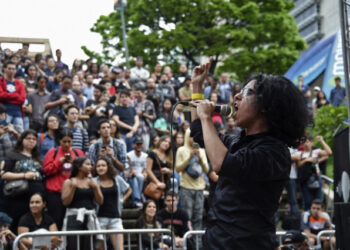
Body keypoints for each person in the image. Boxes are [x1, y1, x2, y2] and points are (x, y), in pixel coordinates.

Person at [189, 58, 308, 249]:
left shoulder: (274, 152)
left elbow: (222, 163)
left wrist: (206, 117)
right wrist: (196, 86)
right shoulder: (238, 142)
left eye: (247, 92)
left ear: (266, 107)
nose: (237, 96)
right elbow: (198, 132)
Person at [2, 130, 45, 233]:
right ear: (22, 140)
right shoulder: (12, 154)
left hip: (36, 197)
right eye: (28, 138)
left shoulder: (37, 157)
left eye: (34, 139)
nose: (31, 141)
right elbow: (4, 174)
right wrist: (24, 175)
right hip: (18, 197)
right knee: (17, 224)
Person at [43, 128, 84, 229]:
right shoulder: (53, 152)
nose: (66, 144)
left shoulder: (78, 153)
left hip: (74, 192)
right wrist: (58, 162)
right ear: (59, 141)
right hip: (55, 193)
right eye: (64, 141)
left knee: (73, 221)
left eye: (69, 141)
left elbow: (85, 171)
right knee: (56, 220)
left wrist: (75, 163)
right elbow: (45, 171)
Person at [61, 157, 104, 250]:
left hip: (89, 217)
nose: (90, 167)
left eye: (90, 164)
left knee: (89, 246)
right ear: (79, 167)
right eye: (87, 164)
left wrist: (96, 187)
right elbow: (65, 202)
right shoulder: (69, 182)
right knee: (73, 245)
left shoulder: (92, 182)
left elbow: (100, 201)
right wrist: (73, 188)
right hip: (74, 218)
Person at [93, 156, 131, 250]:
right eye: (98, 166)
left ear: (108, 167)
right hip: (99, 218)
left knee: (119, 248)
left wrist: (122, 200)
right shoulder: (94, 181)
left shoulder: (116, 179)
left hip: (115, 218)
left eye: (103, 165)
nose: (101, 168)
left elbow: (129, 189)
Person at [176, 129, 209, 231]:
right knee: (187, 217)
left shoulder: (202, 150)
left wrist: (201, 158)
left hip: (199, 188)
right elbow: (178, 168)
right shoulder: (181, 150)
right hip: (186, 188)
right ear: (187, 137)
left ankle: (197, 244)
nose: (194, 139)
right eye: (191, 136)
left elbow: (206, 169)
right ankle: (188, 243)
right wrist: (189, 157)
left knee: (198, 217)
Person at [296, 135, 332, 211]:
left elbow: (329, 152)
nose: (306, 144)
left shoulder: (316, 151)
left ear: (312, 143)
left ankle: (319, 220)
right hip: (305, 180)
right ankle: (308, 219)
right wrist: (307, 160)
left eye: (308, 142)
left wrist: (322, 141)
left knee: (319, 201)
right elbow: (297, 166)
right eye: (304, 142)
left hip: (316, 178)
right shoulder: (299, 154)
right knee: (307, 202)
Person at [145, 135, 173, 204]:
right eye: (165, 141)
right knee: (153, 202)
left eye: (169, 143)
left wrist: (168, 170)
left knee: (165, 203)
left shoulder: (169, 155)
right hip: (154, 181)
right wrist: (158, 183)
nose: (167, 144)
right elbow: (148, 170)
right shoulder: (152, 153)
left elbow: (173, 171)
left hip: (166, 182)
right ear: (160, 141)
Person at [0, 61, 26, 131]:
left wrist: (7, 97)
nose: (11, 71)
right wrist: (16, 95)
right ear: (4, 69)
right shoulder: (0, 81)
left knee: (20, 134)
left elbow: (22, 99)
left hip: (17, 113)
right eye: (9, 68)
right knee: (3, 134)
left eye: (13, 69)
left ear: (16, 70)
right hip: (4, 113)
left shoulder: (19, 83)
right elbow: (1, 95)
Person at [126, 137, 148, 208]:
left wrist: (144, 173)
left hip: (141, 176)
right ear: (133, 145)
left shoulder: (145, 156)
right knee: (136, 177)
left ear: (143, 145)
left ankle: (136, 201)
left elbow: (145, 168)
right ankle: (138, 199)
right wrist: (131, 172)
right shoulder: (129, 155)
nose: (139, 146)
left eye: (140, 144)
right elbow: (127, 168)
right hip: (131, 176)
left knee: (140, 176)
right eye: (137, 144)